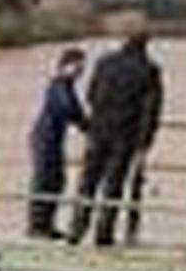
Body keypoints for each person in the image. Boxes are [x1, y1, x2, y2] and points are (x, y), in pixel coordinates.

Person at [67, 21, 164, 248]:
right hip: (125, 136)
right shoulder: (149, 70)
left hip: (98, 131)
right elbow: (151, 112)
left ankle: (76, 229)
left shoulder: (104, 63)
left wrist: (99, 118)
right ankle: (103, 234)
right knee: (113, 185)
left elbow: (91, 94)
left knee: (87, 182)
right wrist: (144, 144)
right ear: (146, 44)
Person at [25, 46, 87, 236]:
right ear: (65, 65)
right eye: (78, 65)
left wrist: (87, 126)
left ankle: (45, 223)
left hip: (52, 138)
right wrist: (86, 125)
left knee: (56, 180)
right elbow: (69, 108)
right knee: (46, 180)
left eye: (82, 66)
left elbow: (75, 112)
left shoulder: (66, 85)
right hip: (45, 138)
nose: (81, 70)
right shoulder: (59, 84)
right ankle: (37, 226)